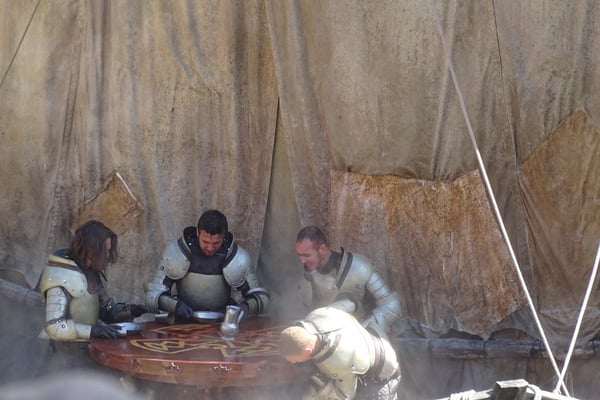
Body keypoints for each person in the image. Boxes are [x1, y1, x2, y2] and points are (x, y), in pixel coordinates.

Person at [144, 209, 270, 321]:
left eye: (216, 243)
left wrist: (244, 308)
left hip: (220, 323)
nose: (210, 248)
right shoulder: (176, 252)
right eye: (205, 242)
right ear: (197, 232)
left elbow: (262, 300)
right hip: (183, 323)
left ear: (224, 236)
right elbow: (152, 296)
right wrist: (175, 306)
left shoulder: (238, 258)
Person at [38, 220, 148, 342]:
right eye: (106, 251)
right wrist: (92, 331)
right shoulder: (61, 274)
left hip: (85, 347)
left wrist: (129, 311)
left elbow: (105, 308)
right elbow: (54, 327)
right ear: (92, 250)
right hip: (57, 349)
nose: (108, 255)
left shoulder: (91, 272)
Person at [295, 226, 401, 338]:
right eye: (299, 255)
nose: (302, 260)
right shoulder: (308, 275)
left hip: (364, 337)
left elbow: (392, 305)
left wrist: (365, 329)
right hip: (324, 337)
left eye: (306, 255)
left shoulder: (358, 267)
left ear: (322, 249)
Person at [279, 304, 401, 400]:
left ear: (308, 351)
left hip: (383, 372)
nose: (292, 362)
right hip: (367, 337)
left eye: (294, 360)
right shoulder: (316, 315)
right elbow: (350, 304)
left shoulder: (340, 361)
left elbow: (345, 395)